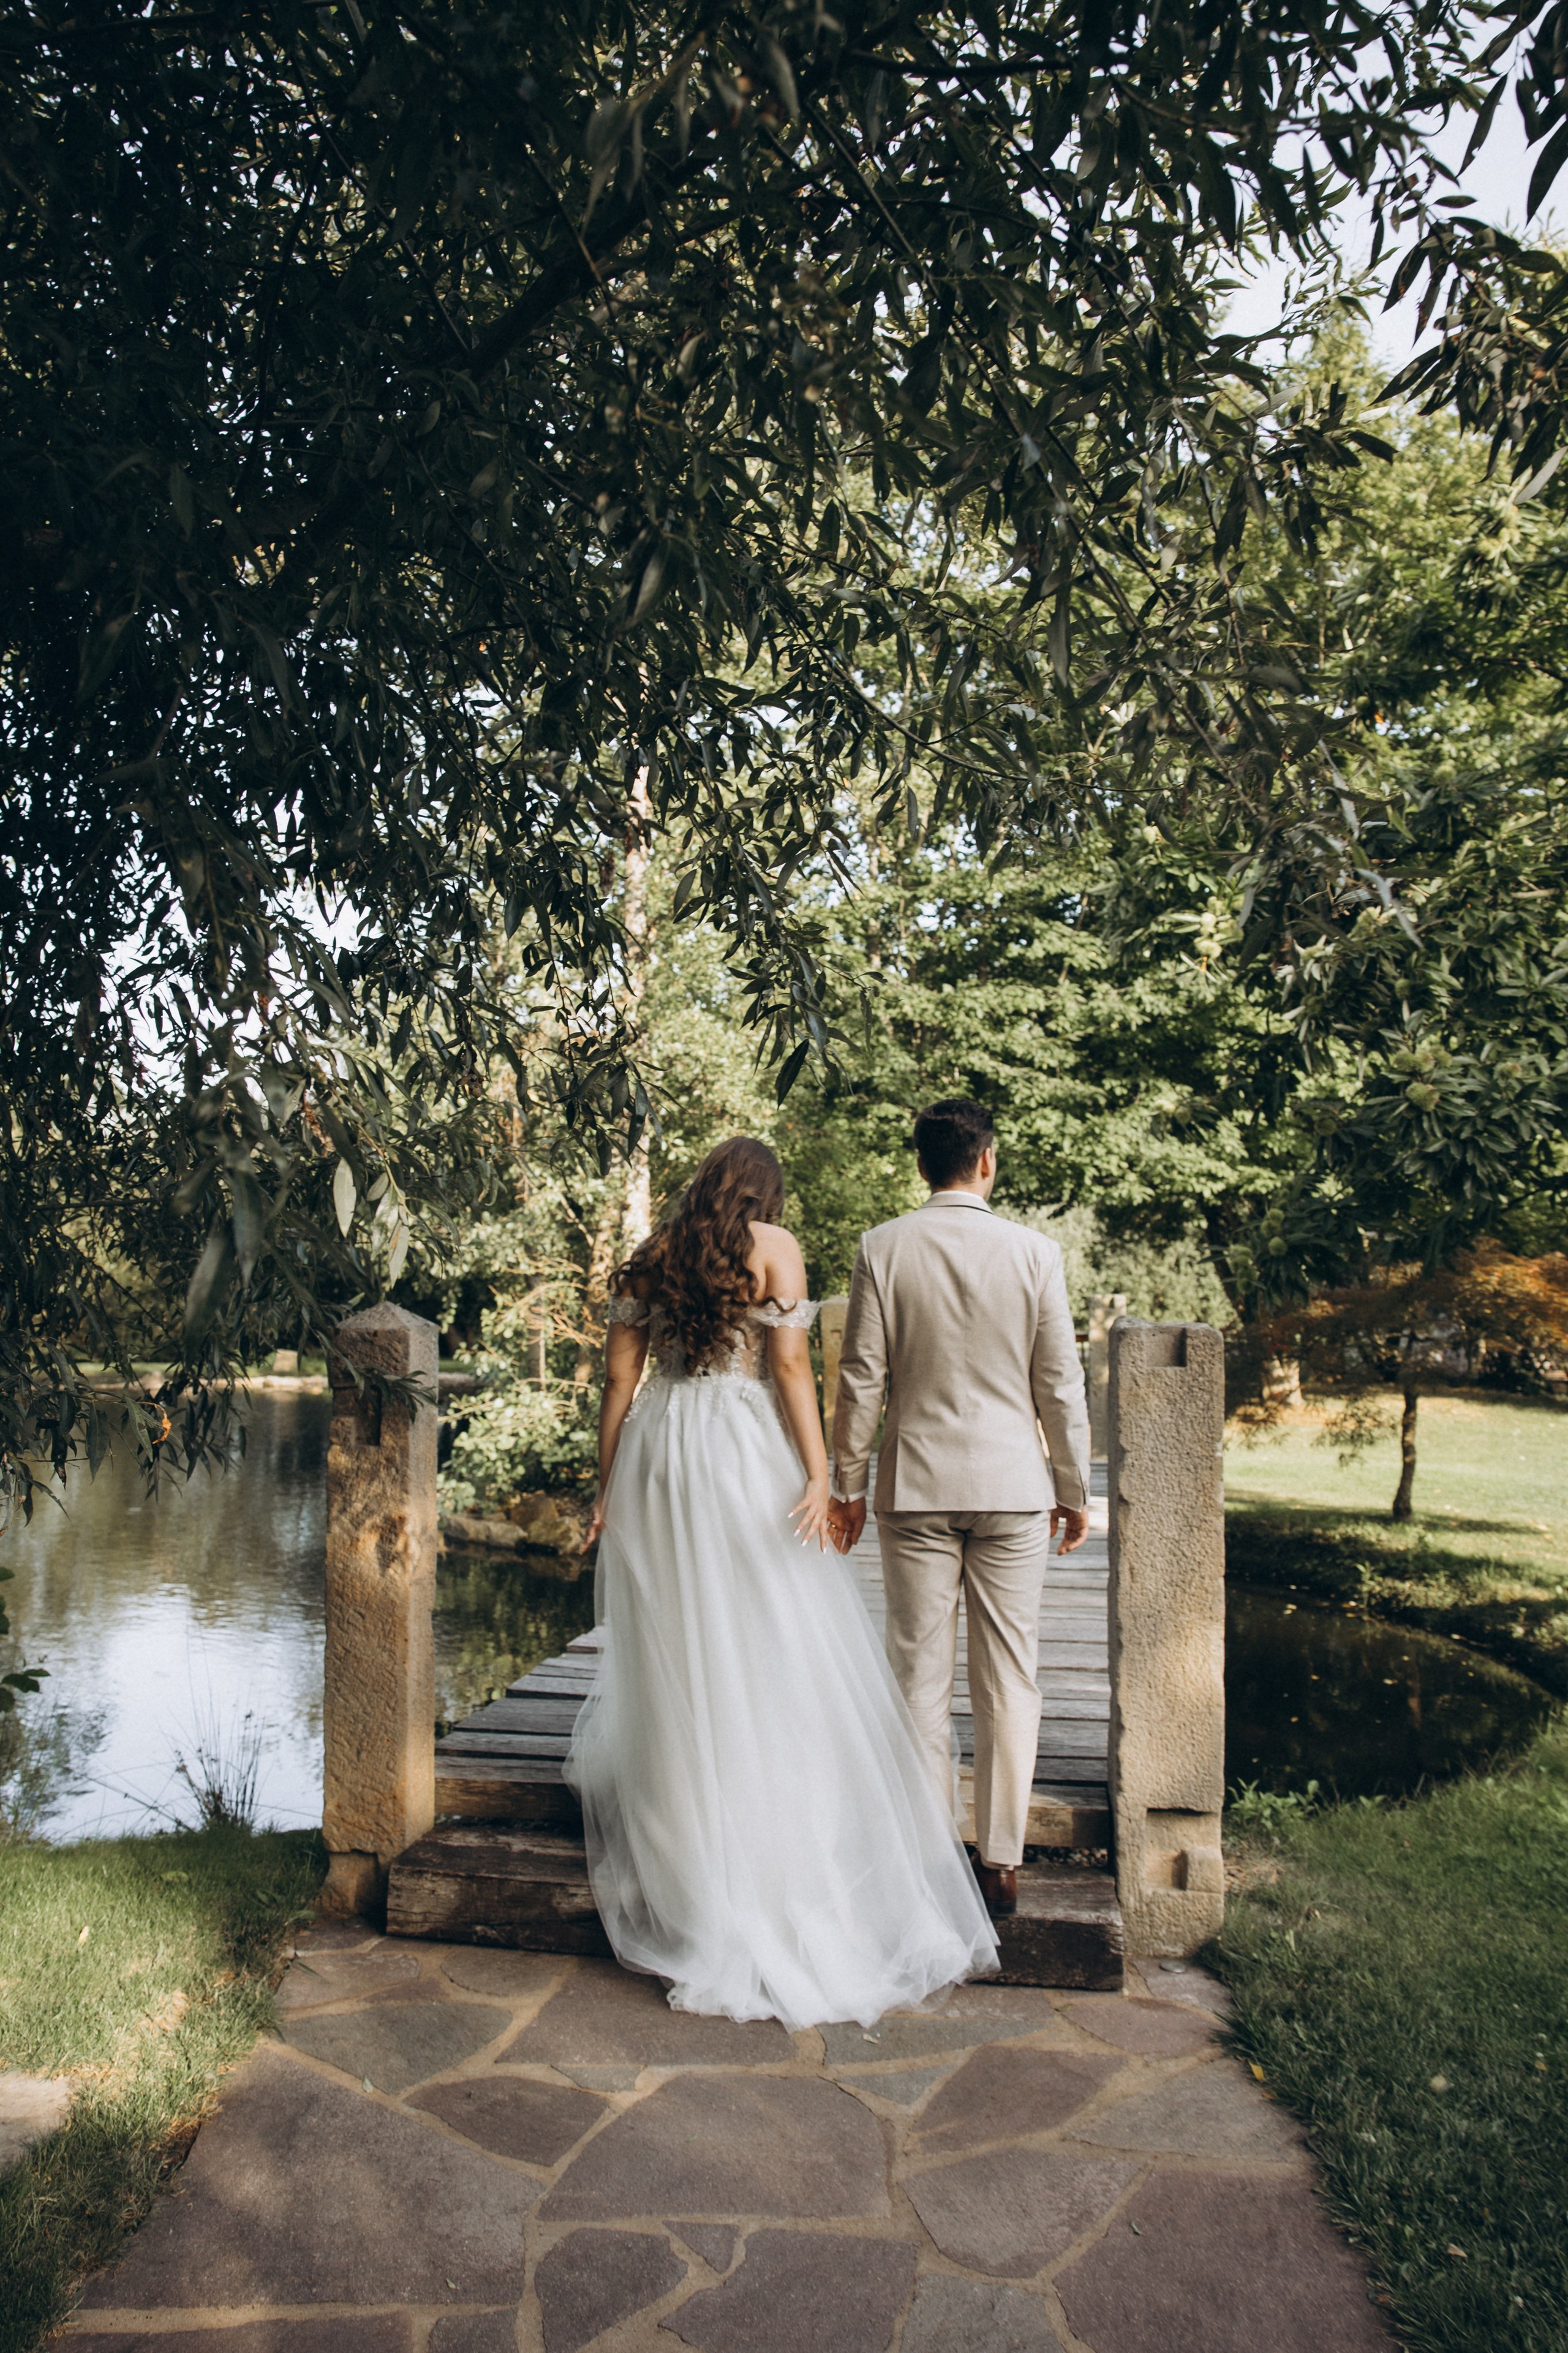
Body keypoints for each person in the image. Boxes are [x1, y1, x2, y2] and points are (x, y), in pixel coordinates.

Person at [566, 1134, 998, 2028]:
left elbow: (619, 1378)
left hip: (659, 1454)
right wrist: (821, 1474)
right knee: (763, 1632)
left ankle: (690, 1846)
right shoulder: (775, 1249)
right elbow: (796, 1369)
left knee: (676, 1642)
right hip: (735, 1449)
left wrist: (606, 1485)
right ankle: (771, 1833)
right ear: (763, 1191)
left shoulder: (650, 1256)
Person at [827, 1100, 1091, 1919]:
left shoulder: (883, 1246)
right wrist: (1074, 1490)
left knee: (918, 1673)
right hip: (1013, 1489)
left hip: (918, 1487)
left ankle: (930, 1854)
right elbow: (1058, 1382)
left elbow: (860, 1375)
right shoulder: (1036, 1253)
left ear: (921, 1166)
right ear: (988, 1160)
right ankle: (1002, 1860)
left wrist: (846, 1484)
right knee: (1011, 1675)